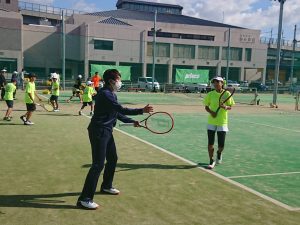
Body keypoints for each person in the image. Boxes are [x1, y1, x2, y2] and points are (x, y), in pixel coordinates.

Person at [77, 69, 153, 210]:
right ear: (111, 81)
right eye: (118, 79)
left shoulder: (111, 94)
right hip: (99, 131)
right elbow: (121, 109)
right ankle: (84, 199)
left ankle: (106, 186)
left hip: (106, 130)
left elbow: (116, 113)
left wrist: (132, 121)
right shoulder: (105, 94)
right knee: (98, 165)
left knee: (113, 159)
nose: (120, 82)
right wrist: (141, 110)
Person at [203, 76, 235, 169]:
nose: (216, 84)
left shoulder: (227, 93)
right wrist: (211, 112)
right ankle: (211, 160)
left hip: (222, 122)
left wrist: (225, 107)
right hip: (211, 122)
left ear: (222, 83)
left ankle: (219, 153)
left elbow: (230, 106)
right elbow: (206, 107)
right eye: (214, 82)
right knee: (210, 143)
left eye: (218, 82)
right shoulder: (210, 94)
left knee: (221, 145)